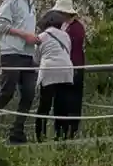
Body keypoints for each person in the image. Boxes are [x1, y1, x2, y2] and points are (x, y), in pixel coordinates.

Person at [0, 0, 41, 145]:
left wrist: (33, 38)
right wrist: (24, 35)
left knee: (29, 92)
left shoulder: (31, 3)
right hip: (11, 52)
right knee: (7, 91)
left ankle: (17, 131)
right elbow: (0, 23)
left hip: (28, 53)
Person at [33, 10, 77, 141]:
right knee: (62, 105)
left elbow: (36, 58)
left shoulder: (41, 37)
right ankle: (61, 135)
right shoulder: (65, 36)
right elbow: (68, 51)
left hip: (49, 71)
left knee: (44, 105)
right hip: (66, 70)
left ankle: (41, 136)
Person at [51, 0, 85, 135]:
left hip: (74, 68)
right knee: (60, 100)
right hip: (63, 68)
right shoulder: (64, 26)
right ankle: (60, 130)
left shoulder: (76, 29)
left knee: (72, 101)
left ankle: (70, 130)